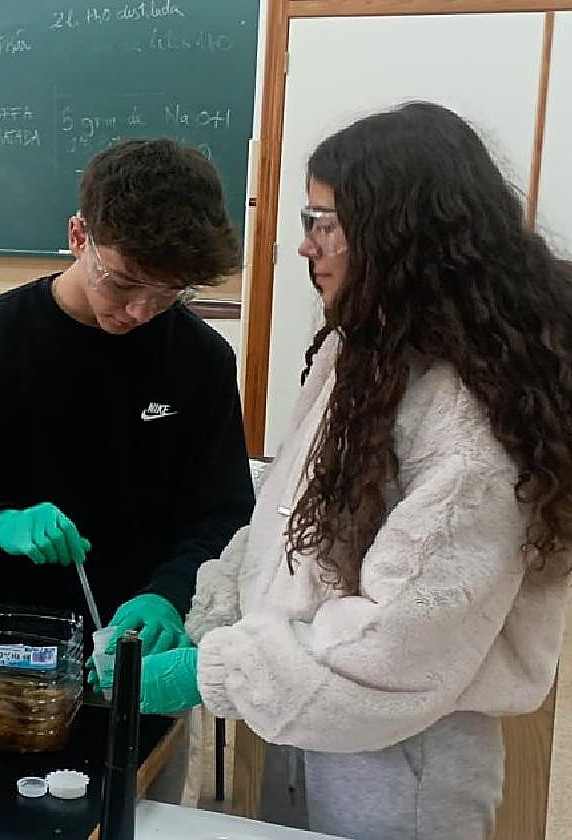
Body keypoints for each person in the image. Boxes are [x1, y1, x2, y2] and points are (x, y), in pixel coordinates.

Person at [142, 103, 572, 840]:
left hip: (401, 753)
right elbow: (290, 517)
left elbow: (396, 650)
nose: (306, 245)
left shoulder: (471, 424)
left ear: (402, 239)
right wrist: (209, 615)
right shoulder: (369, 349)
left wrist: (214, 671)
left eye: (325, 222)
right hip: (311, 711)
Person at [0, 139, 254, 661]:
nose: (139, 310)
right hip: (10, 653)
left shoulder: (200, 360)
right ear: (79, 235)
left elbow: (222, 515)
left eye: (168, 292)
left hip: (143, 650)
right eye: (124, 281)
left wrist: (169, 595)